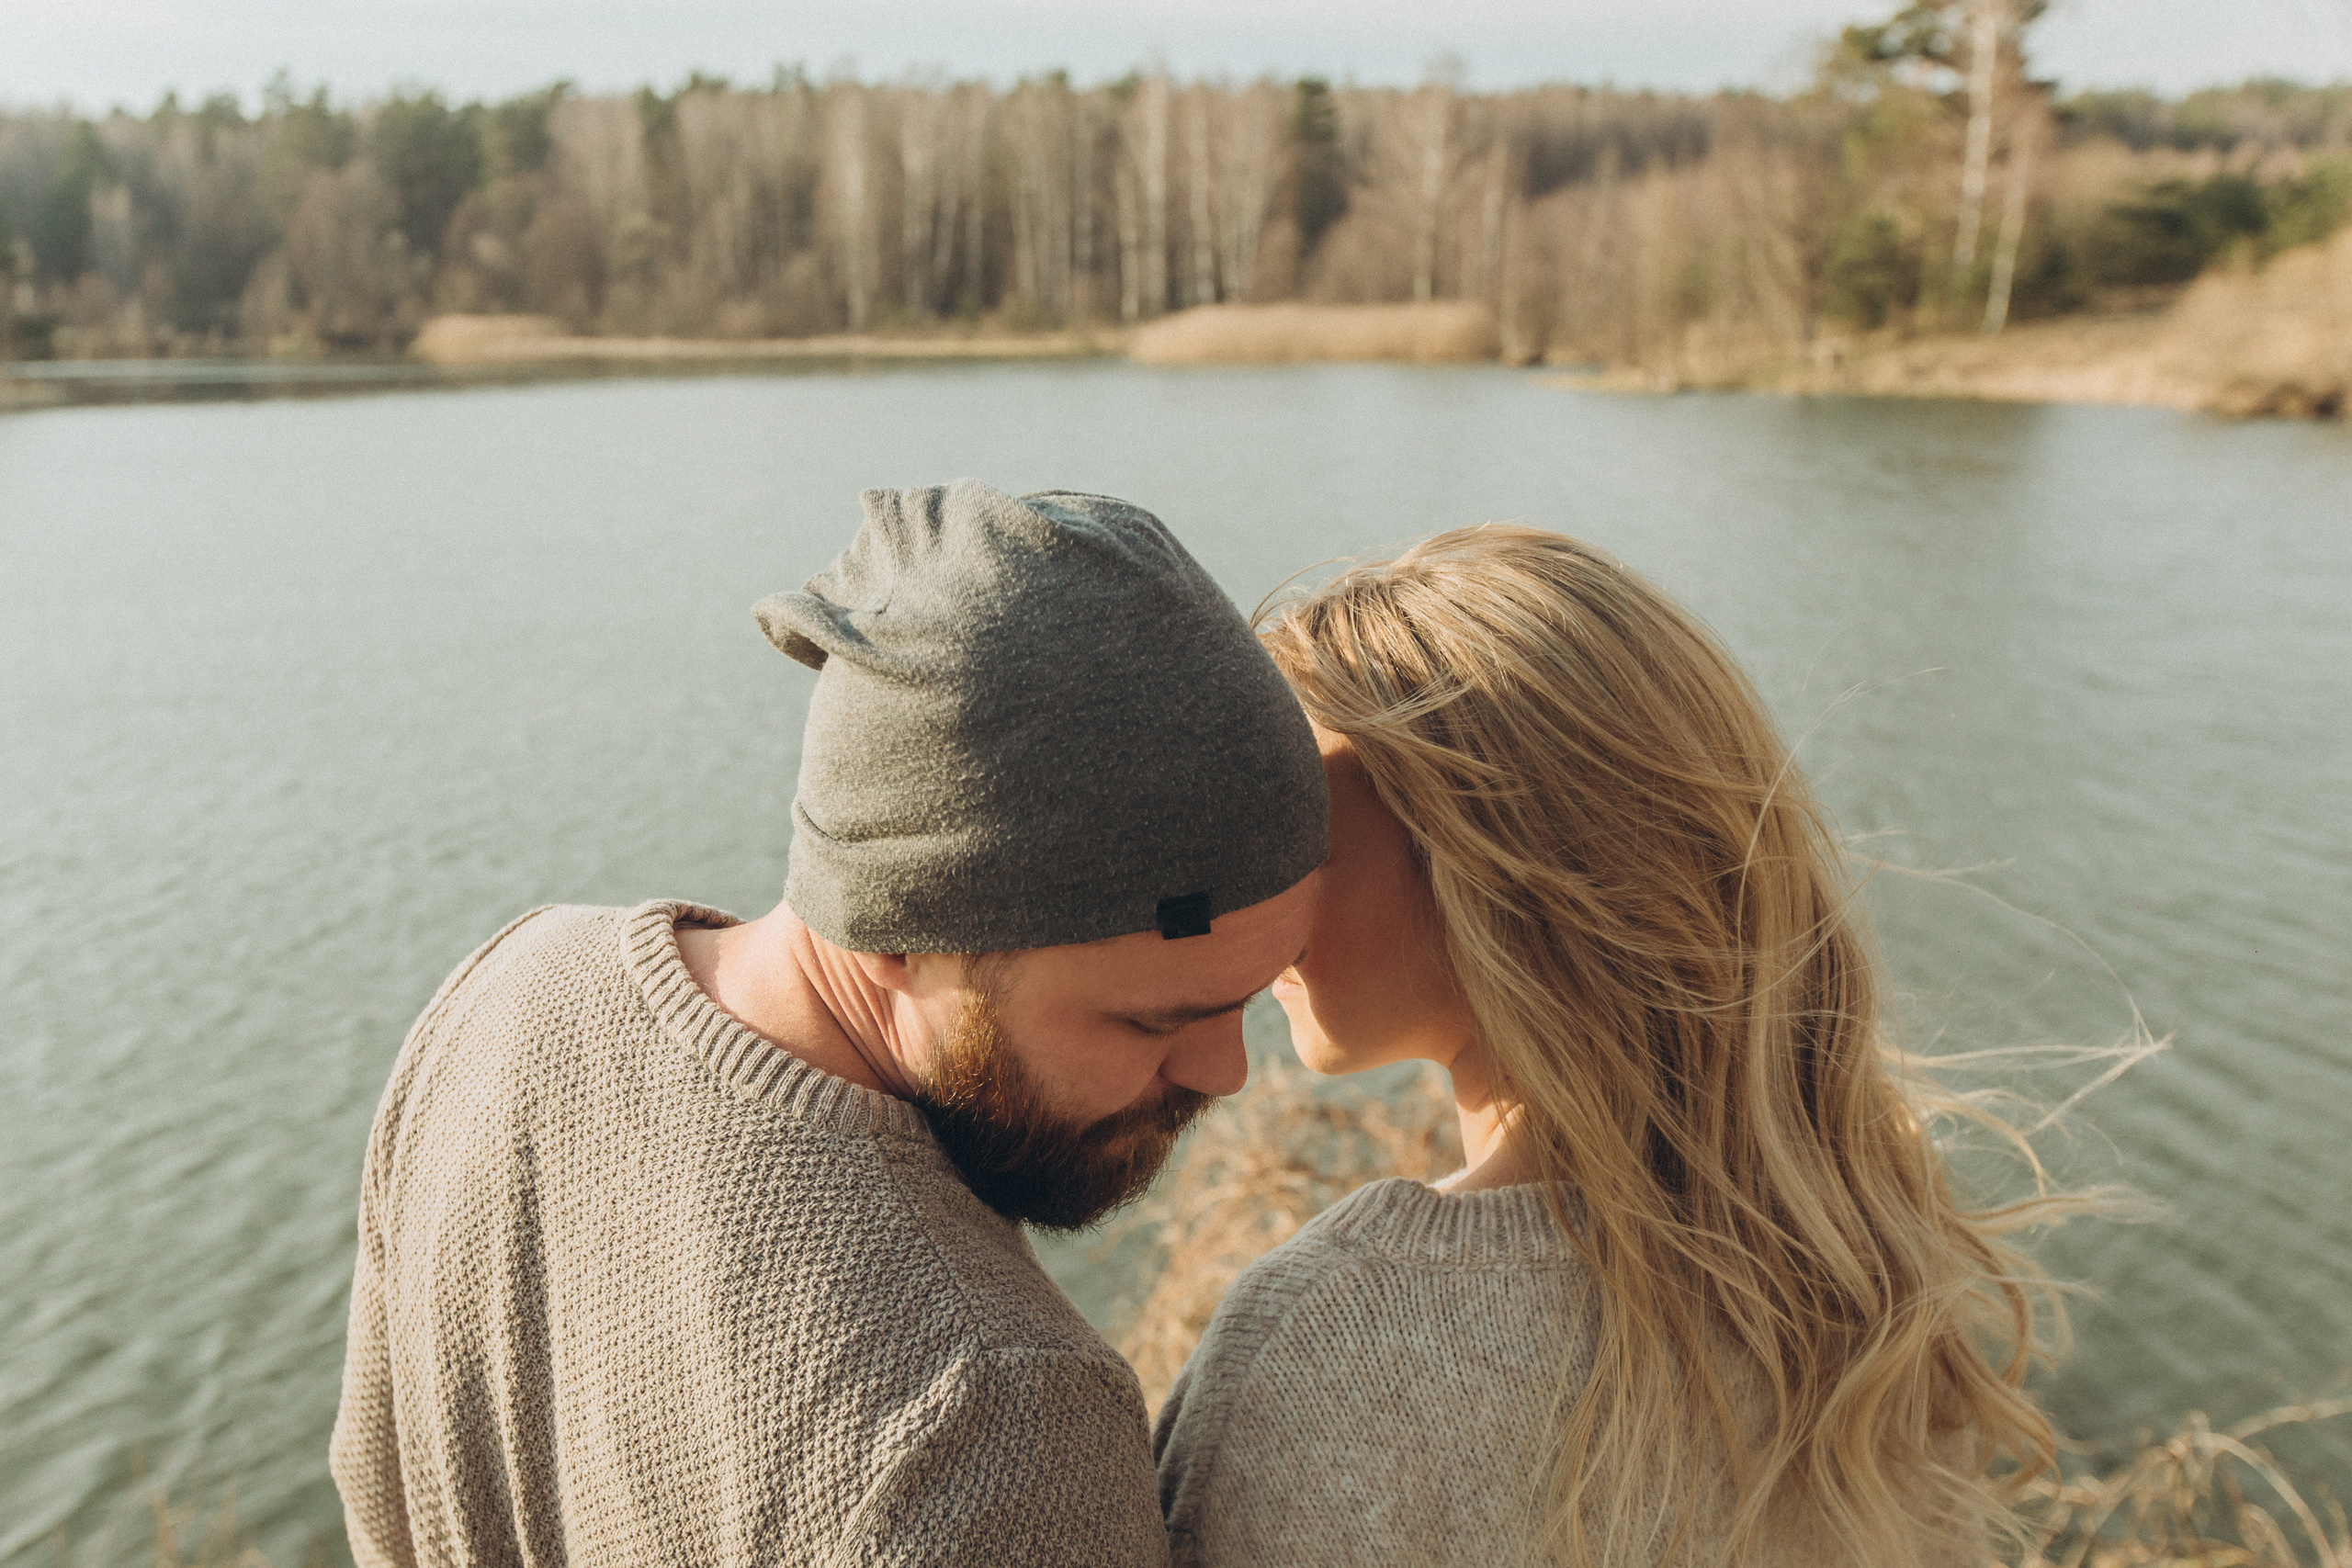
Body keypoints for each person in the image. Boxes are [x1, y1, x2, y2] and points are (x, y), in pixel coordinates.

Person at [330, 480, 1328, 1567]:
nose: (1227, 1073)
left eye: (1252, 994)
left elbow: (378, 1491)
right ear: (898, 928)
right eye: (1150, 1023)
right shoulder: (993, 1423)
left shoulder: (505, 993)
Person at [1155, 525, 2065, 1567]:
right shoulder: (1859, 1272)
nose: (1246, 889)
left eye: (1298, 831)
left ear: (1488, 871)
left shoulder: (1341, 1340)